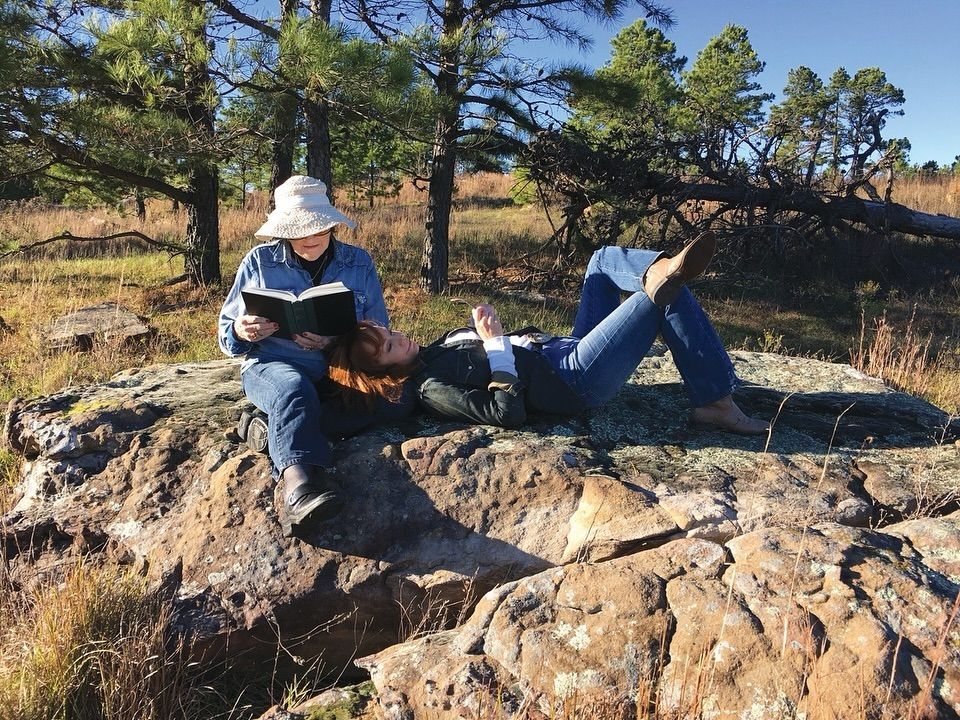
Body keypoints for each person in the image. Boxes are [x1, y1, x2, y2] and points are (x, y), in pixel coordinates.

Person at [327, 233, 769, 435]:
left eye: (386, 331)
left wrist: (492, 331)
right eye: (387, 347)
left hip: (565, 347)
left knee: (600, 261)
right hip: (573, 379)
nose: (397, 337)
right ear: (384, 373)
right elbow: (505, 412)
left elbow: (502, 345)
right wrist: (497, 344)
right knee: (663, 296)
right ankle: (715, 402)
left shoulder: (437, 345)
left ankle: (656, 267)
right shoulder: (430, 388)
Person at [218, 175, 407, 536]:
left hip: (337, 368)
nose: (310, 237)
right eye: (298, 229)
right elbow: (227, 336)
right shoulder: (259, 261)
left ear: (332, 223)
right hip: (271, 365)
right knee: (293, 390)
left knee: (397, 400)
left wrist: (335, 341)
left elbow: (377, 329)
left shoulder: (358, 263)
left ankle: (265, 428)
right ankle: (299, 489)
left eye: (318, 226)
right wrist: (242, 331)